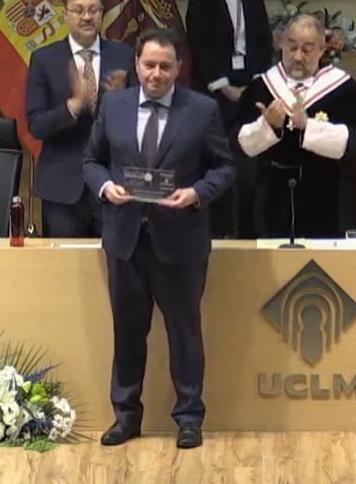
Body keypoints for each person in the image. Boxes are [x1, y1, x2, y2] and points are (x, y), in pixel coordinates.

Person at [83, 29, 234, 448]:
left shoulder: (202, 109)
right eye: (149, 65)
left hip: (180, 242)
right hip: (126, 240)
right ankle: (125, 417)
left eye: (166, 66)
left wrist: (196, 193)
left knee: (184, 334)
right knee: (128, 332)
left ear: (179, 68)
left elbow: (224, 167)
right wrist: (105, 187)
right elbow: (92, 159)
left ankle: (189, 418)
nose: (156, 74)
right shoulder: (113, 105)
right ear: (136, 64)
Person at [235, 13, 356, 238]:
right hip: (272, 198)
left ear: (322, 50)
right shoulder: (262, 87)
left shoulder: (343, 90)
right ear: (281, 45)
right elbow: (236, 142)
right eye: (292, 47)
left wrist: (309, 127)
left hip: (325, 196)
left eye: (307, 49)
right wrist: (268, 127)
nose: (298, 56)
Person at [26, 0, 134, 238]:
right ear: (65, 14)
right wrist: (73, 106)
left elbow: (140, 118)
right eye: (78, 10)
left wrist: (119, 103)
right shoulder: (44, 59)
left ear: (102, 13)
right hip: (62, 188)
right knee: (64, 262)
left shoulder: (124, 56)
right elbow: (36, 125)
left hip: (114, 183)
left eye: (93, 10)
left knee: (115, 259)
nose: (87, 17)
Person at [186, 0, 272, 239]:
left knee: (248, 164)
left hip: (249, 86)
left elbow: (263, 42)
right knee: (217, 160)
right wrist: (223, 86)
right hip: (214, 90)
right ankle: (217, 230)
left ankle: (248, 231)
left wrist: (253, 83)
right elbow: (199, 45)